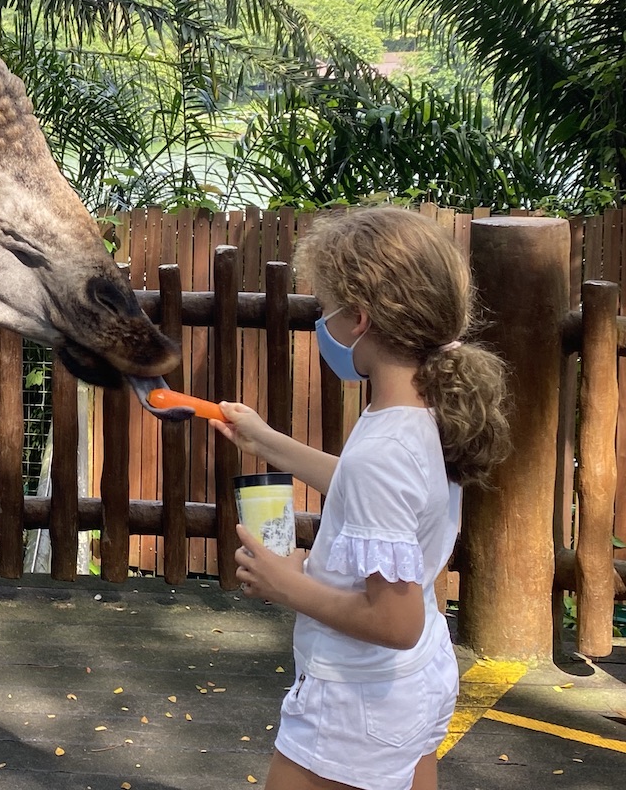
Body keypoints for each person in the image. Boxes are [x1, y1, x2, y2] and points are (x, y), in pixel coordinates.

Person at [210, 207, 512, 790]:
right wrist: (267, 441)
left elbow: (391, 620)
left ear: (360, 320)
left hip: (357, 700)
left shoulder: (385, 447)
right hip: (413, 679)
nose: (322, 320)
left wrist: (286, 584)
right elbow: (366, 489)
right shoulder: (419, 415)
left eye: (326, 306)